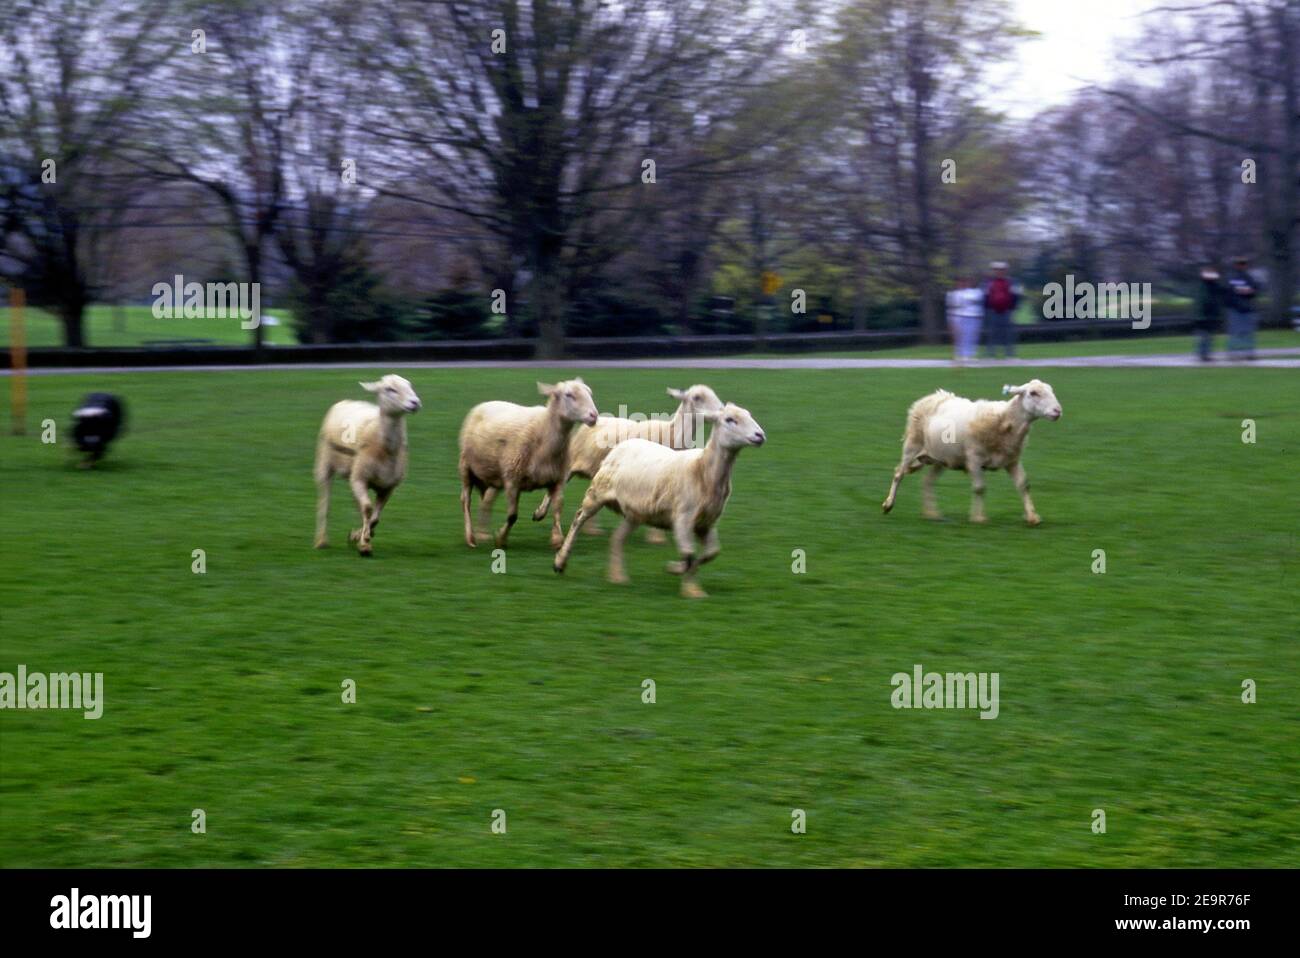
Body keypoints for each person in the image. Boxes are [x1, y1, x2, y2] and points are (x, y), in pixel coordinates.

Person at [1225, 255, 1261, 360]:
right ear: (1236, 265)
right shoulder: (1232, 277)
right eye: (1240, 264)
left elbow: (1254, 290)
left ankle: (1249, 353)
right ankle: (1233, 353)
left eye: (1244, 264)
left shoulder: (1249, 277)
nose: (1242, 266)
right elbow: (1230, 291)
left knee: (1249, 332)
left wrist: (1249, 291)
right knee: (1235, 332)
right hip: (1235, 308)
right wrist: (1245, 291)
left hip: (1247, 308)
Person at [983, 261, 1019, 358]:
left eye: (1001, 270)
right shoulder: (989, 282)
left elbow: (1015, 296)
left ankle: (1010, 354)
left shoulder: (1011, 282)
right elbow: (986, 296)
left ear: (1005, 271)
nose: (999, 272)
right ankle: (991, 354)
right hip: (992, 310)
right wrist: (987, 309)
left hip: (1007, 310)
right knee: (992, 333)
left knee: (1008, 333)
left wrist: (1013, 309)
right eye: (997, 270)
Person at [946, 276, 983, 364]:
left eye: (964, 282)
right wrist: (950, 319)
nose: (962, 284)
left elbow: (977, 299)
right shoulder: (953, 294)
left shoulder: (974, 292)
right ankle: (959, 355)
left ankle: (968, 355)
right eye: (960, 282)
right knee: (960, 336)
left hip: (973, 316)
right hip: (959, 316)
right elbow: (950, 307)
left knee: (971, 336)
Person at [1194, 266, 1224, 362]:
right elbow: (1205, 301)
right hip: (1204, 316)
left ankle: (1205, 354)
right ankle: (1203, 354)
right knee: (1205, 336)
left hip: (1207, 315)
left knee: (1208, 336)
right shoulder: (1204, 286)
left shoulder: (1211, 286)